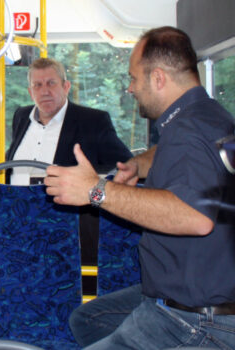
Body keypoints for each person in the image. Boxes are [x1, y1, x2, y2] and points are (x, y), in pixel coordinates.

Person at [44, 26, 235, 349]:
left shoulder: (188, 131)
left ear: (158, 78)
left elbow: (195, 217)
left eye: (134, 78)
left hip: (193, 319)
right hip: (193, 295)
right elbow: (191, 159)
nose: (130, 89)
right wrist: (141, 164)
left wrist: (96, 190)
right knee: (87, 319)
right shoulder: (207, 116)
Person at [6, 57, 132, 185]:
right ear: (30, 92)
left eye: (51, 83)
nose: (44, 92)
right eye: (37, 85)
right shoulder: (21, 117)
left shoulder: (93, 122)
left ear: (66, 87)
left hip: (64, 204)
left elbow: (127, 168)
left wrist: (95, 192)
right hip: (13, 203)